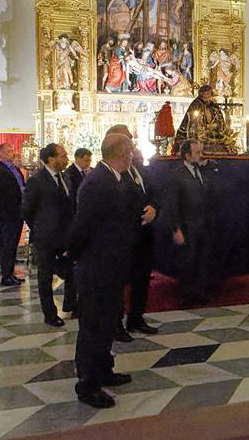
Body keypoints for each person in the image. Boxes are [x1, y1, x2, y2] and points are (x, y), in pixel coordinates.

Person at [67, 133, 138, 408]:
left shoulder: (114, 178)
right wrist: (73, 257)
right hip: (96, 267)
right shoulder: (99, 182)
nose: (132, 155)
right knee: (94, 325)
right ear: (122, 154)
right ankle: (87, 383)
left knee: (107, 321)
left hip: (110, 265)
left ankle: (104, 370)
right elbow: (83, 226)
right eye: (130, 151)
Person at [105, 125, 160, 340]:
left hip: (143, 236)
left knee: (141, 279)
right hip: (123, 236)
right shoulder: (112, 172)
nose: (132, 143)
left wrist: (154, 208)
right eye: (127, 139)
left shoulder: (138, 167)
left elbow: (154, 191)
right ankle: (116, 323)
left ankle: (136, 317)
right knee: (118, 283)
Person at [22, 143, 76, 327]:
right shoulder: (37, 180)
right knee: (45, 276)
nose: (66, 159)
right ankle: (50, 313)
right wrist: (40, 228)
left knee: (71, 270)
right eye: (62, 155)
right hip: (45, 237)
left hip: (66, 236)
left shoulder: (65, 177)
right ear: (51, 159)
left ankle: (71, 305)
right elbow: (27, 210)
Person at [167, 139, 213, 302]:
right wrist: (176, 229)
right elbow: (172, 204)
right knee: (188, 261)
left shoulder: (201, 171)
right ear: (187, 155)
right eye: (197, 153)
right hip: (187, 226)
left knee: (201, 260)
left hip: (202, 225)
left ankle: (199, 292)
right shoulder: (177, 175)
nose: (201, 156)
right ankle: (186, 295)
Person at [0, 143, 26, 287]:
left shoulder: (15, 169)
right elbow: (3, 192)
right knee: (8, 245)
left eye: (13, 149)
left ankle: (10, 273)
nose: (13, 152)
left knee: (13, 245)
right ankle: (6, 276)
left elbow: (21, 186)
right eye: (10, 150)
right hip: (7, 213)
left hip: (17, 212)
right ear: (3, 154)